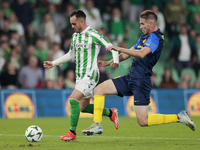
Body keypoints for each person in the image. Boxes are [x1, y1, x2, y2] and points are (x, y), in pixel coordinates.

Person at [82, 10, 196, 136]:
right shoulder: (144, 37)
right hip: (131, 77)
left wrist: (118, 48)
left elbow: (141, 54)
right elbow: (128, 53)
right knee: (99, 89)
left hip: (141, 81)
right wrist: (110, 62)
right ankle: (97, 125)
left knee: (143, 121)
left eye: (142, 24)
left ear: (151, 24)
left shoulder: (156, 37)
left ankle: (179, 117)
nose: (140, 27)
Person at [43, 10, 119, 142]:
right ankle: (111, 113)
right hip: (80, 76)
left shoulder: (93, 34)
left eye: (74, 24)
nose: (72, 27)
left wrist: (116, 61)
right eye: (71, 24)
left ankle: (72, 132)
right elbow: (71, 54)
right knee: (83, 107)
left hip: (90, 74)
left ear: (82, 21)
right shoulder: (75, 36)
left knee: (73, 100)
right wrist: (54, 63)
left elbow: (111, 47)